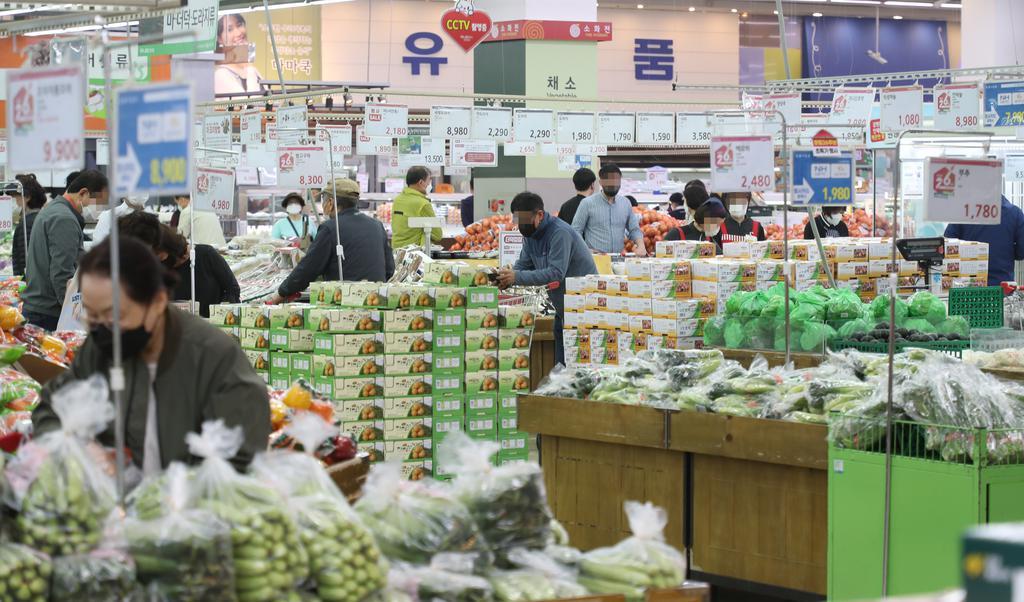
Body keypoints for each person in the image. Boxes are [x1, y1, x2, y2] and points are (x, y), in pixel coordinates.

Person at [31, 237, 270, 473]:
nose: (103, 327)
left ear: (157, 302)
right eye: (92, 316)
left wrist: (179, 489)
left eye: (115, 314)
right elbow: (52, 407)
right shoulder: (100, 348)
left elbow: (244, 454)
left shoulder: (213, 357)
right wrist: (81, 448)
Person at [497, 192, 598, 366]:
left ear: (540, 215)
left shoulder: (560, 233)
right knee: (561, 364)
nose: (521, 225)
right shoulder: (531, 236)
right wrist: (506, 276)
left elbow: (555, 273)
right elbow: (523, 265)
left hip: (583, 307)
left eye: (524, 220)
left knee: (579, 365)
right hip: (562, 307)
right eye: (518, 220)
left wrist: (517, 277)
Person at [271, 178, 394, 303]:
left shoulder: (330, 227)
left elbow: (308, 269)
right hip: (375, 302)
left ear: (330, 202)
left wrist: (281, 293)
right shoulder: (376, 225)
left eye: (323, 200)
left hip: (345, 303)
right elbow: (389, 269)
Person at [23, 170, 108, 331]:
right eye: (99, 203)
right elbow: (62, 274)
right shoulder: (64, 219)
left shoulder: (54, 209)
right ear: (83, 193)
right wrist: (74, 311)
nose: (100, 210)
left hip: (39, 308)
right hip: (49, 314)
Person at [120, 212, 241, 318]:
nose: (154, 257)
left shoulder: (205, 255)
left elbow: (232, 289)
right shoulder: (152, 270)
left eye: (157, 252)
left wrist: (221, 314)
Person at [945, 195, 1024, 286]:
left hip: (967, 285)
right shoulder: (1015, 213)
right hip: (1002, 284)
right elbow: (1021, 252)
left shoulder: (964, 211)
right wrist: (1005, 253)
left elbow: (948, 246)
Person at [571, 164, 647, 256]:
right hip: (595, 260)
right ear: (601, 182)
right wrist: (585, 250)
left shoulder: (626, 203)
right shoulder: (587, 203)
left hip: (619, 259)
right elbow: (575, 231)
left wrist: (641, 245)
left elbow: (634, 229)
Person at [391, 166, 442, 249]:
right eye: (429, 181)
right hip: (415, 254)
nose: (429, 184)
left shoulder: (397, 200)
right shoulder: (423, 204)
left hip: (396, 251)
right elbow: (438, 234)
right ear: (421, 182)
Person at [214, 14, 263, 95]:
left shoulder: (253, 69)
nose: (238, 33)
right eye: (230, 30)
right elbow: (250, 105)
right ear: (220, 39)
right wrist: (249, 66)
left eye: (239, 25)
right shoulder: (221, 74)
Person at [10, 174, 48, 277]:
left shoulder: (28, 223)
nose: (15, 200)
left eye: (16, 196)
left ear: (27, 197)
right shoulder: (40, 218)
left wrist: (21, 281)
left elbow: (25, 259)